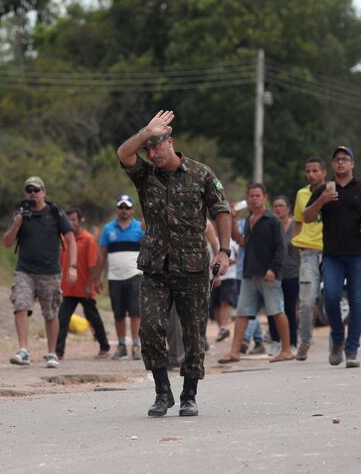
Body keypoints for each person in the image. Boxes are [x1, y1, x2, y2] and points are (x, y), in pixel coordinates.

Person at [119, 110, 231, 417]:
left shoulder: (200, 173)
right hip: (155, 267)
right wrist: (146, 132)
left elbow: (221, 210)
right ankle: (162, 391)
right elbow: (123, 153)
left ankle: (189, 394)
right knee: (151, 328)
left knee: (193, 335)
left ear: (171, 142)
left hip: (192, 268)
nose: (152, 153)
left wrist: (223, 251)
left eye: (157, 146)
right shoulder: (145, 174)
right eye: (148, 149)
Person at [304, 146, 361, 368]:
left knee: (357, 300)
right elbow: (306, 217)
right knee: (331, 297)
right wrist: (322, 200)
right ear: (332, 165)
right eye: (337, 159)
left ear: (352, 164)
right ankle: (338, 338)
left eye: (345, 159)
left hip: (358, 254)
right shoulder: (324, 189)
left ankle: (352, 350)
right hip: (332, 255)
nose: (340, 162)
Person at [2, 176, 77, 368]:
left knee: (50, 312)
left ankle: (52, 352)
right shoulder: (20, 213)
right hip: (24, 270)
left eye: (36, 190)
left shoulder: (55, 212)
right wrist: (16, 224)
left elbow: (70, 240)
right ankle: (23, 350)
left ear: (44, 192)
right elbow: (6, 243)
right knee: (20, 304)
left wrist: (72, 266)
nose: (33, 194)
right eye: (29, 190)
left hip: (50, 271)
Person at [218, 184, 293, 364]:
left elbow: (280, 247)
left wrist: (273, 269)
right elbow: (241, 241)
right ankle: (234, 352)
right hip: (250, 272)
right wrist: (233, 219)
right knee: (243, 313)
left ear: (265, 197)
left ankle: (287, 350)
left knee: (277, 311)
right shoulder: (249, 219)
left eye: (257, 195)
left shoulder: (273, 219)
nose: (254, 198)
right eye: (251, 196)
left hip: (268, 273)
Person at [56, 208, 112, 359]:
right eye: (68, 220)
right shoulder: (64, 239)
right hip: (68, 288)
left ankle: (104, 347)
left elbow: (93, 264)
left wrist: (90, 284)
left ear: (80, 221)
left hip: (85, 288)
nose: (71, 223)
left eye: (74, 220)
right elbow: (60, 263)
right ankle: (58, 352)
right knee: (62, 319)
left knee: (93, 318)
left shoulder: (88, 239)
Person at [98, 194, 146, 360]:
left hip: (135, 275)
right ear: (117, 209)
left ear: (132, 209)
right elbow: (102, 255)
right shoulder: (108, 229)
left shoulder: (140, 227)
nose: (124, 210)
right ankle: (121, 346)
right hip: (115, 277)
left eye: (127, 207)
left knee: (135, 313)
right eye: (121, 207)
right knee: (118, 314)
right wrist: (97, 278)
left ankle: (136, 345)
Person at [292, 157, 327, 361]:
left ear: (324, 172)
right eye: (308, 171)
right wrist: (297, 245)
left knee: (332, 299)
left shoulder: (332, 192)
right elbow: (298, 221)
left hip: (331, 253)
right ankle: (305, 342)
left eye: (315, 171)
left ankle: (338, 340)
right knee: (306, 301)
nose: (311, 174)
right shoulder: (302, 194)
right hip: (308, 253)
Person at [274, 196, 300, 351]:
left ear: (288, 208)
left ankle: (293, 342)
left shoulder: (295, 225)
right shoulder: (272, 226)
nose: (278, 209)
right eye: (276, 206)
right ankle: (277, 341)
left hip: (292, 272)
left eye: (281, 205)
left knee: (290, 309)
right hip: (275, 273)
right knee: (275, 309)